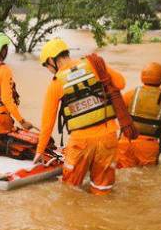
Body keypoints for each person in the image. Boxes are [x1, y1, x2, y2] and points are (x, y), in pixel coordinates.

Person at [34, 38, 133, 195]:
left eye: (46, 66)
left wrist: (40, 151)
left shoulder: (56, 82)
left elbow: (48, 122)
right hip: (108, 137)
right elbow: (121, 83)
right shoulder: (94, 64)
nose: (49, 70)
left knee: (69, 191)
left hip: (81, 142)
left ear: (52, 60)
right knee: (103, 192)